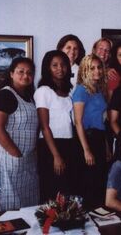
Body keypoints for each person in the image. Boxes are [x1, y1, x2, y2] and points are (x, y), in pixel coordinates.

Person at [0, 57, 39, 214]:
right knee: (7, 208)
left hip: (25, 158)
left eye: (29, 73)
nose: (25, 76)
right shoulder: (5, 95)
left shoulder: (29, 96)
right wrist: (16, 154)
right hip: (6, 158)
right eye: (20, 72)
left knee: (26, 205)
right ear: (11, 73)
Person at [34, 50, 74, 202]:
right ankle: (48, 226)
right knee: (52, 192)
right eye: (55, 65)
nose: (60, 68)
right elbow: (44, 126)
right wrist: (56, 156)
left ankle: (66, 224)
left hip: (68, 143)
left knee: (66, 191)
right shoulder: (43, 91)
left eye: (63, 65)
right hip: (50, 146)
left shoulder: (67, 92)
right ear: (47, 68)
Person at [72, 54, 108, 209]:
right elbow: (78, 122)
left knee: (99, 182)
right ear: (84, 70)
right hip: (86, 140)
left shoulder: (99, 90)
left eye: (99, 67)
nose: (97, 71)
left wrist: (106, 146)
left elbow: (102, 121)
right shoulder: (81, 91)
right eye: (92, 68)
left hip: (99, 139)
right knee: (88, 183)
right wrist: (86, 150)